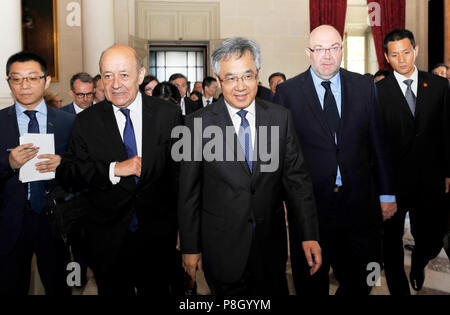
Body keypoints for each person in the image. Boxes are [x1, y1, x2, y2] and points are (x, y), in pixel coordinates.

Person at [178, 37, 322, 296]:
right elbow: (188, 193)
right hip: (222, 248)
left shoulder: (279, 118)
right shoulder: (196, 124)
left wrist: (309, 234)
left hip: (270, 247)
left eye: (248, 75)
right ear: (219, 81)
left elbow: (297, 182)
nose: (240, 86)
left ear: (258, 76)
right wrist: (190, 247)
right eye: (231, 78)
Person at [275, 25, 396, 295]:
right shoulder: (288, 92)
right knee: (310, 283)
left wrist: (387, 193)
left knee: (367, 275)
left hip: (359, 203)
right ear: (308, 52)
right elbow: (282, 154)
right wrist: (283, 199)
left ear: (342, 49)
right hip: (310, 208)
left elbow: (378, 142)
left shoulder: (364, 85)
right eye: (319, 49)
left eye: (333, 48)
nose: (326, 56)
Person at [56, 44, 182, 295]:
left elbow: (180, 176)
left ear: (140, 74)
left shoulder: (168, 114)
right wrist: (114, 169)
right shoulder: (86, 121)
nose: (115, 84)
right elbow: (69, 173)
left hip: (158, 238)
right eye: (107, 75)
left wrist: (185, 232)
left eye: (124, 74)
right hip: (107, 239)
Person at [376, 29, 450, 295]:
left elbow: (446, 132)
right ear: (386, 57)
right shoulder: (378, 92)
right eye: (395, 55)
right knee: (391, 242)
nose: (402, 59)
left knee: (430, 237)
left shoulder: (440, 86)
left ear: (415, 50)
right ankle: (399, 290)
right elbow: (377, 142)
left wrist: (448, 172)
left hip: (430, 179)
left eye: (406, 52)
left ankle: (419, 263)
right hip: (394, 183)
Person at [0, 51, 74, 295]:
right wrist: (8, 163)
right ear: (8, 81)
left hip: (53, 219)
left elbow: (81, 169)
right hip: (11, 220)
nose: (25, 85)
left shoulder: (67, 122)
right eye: (17, 79)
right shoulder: (1, 122)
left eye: (32, 78)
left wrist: (62, 164)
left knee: (59, 286)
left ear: (46, 80)